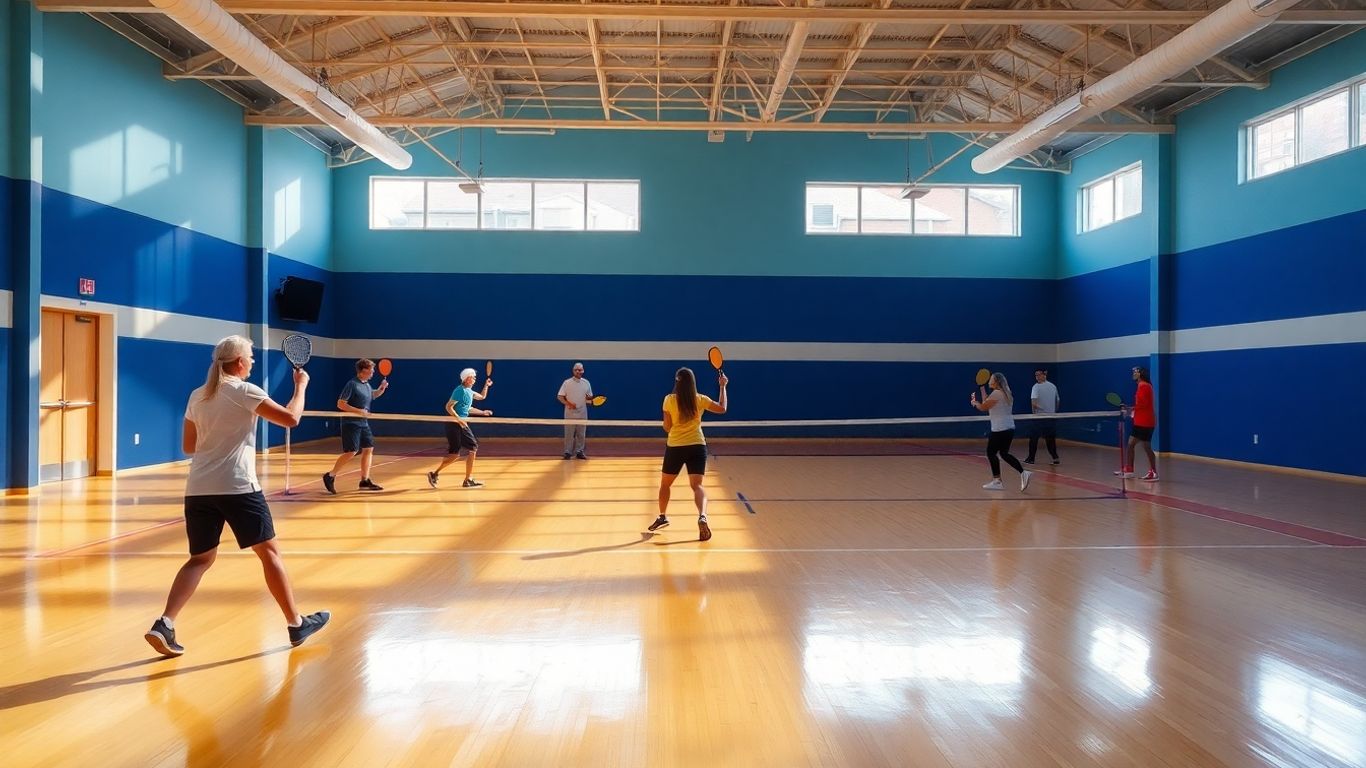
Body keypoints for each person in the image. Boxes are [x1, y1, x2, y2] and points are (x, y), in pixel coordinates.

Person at [144, 335, 329, 657]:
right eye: (252, 358)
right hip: (238, 487)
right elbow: (291, 419)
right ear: (240, 362)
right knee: (269, 553)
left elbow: (189, 446)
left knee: (200, 560)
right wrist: (301, 387)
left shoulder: (198, 395)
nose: (254, 363)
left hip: (199, 489)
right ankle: (297, 624)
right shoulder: (245, 390)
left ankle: (165, 623)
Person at [646, 367, 728, 541]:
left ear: (677, 382)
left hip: (676, 446)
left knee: (665, 485)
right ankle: (703, 516)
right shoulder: (700, 399)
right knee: (697, 486)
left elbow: (667, 427)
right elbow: (722, 408)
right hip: (697, 445)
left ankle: (662, 515)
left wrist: (670, 424)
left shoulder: (669, 400)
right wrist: (722, 387)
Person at [323, 358, 389, 494]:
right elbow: (340, 404)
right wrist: (359, 411)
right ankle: (330, 475)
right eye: (371, 370)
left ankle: (364, 480)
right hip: (351, 423)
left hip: (363, 423)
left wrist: (382, 389)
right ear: (362, 371)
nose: (373, 372)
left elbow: (372, 396)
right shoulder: (352, 384)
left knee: (368, 449)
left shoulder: (367, 385)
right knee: (351, 451)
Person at [427, 367, 493, 488]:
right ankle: (468, 480)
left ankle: (434, 474)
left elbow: (480, 398)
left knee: (454, 455)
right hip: (455, 423)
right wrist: (459, 419)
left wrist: (486, 386)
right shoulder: (460, 391)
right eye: (473, 377)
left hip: (459, 423)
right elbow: (448, 407)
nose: (474, 379)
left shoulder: (469, 392)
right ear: (467, 379)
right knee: (473, 447)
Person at [971, 372, 1033, 491]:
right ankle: (1023, 473)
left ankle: (997, 481)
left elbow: (983, 407)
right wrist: (982, 388)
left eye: (991, 379)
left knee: (991, 453)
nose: (989, 380)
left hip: (999, 429)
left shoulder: (997, 394)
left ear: (996, 382)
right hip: (1008, 428)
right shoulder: (1006, 393)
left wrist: (975, 403)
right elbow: (987, 403)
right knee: (1004, 454)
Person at [1116, 366, 1158, 481]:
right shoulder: (1143, 386)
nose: (1133, 373)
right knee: (1144, 446)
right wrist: (1131, 409)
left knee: (1132, 444)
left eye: (1135, 371)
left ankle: (1133, 470)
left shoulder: (1143, 386)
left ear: (1140, 374)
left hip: (1144, 422)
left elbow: (1143, 404)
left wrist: (1130, 409)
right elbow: (1142, 404)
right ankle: (1136, 470)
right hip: (1144, 421)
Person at [557, 362, 593, 460]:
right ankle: (567, 452)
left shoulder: (587, 383)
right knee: (569, 434)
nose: (578, 371)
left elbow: (588, 399)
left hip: (582, 413)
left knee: (581, 434)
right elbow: (560, 396)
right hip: (569, 414)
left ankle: (579, 452)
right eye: (576, 370)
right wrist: (569, 404)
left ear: (583, 371)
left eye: (580, 369)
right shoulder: (567, 383)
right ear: (573, 371)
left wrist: (591, 401)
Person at [1025, 368, 1061, 465]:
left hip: (1039, 418)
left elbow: (1034, 403)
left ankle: (1031, 459)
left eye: (1039, 375)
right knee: (1050, 439)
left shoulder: (1036, 387)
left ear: (1044, 375)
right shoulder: (1053, 386)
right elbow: (1058, 401)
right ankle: (1055, 458)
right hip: (1051, 417)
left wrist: (1037, 412)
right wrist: (1053, 411)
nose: (1037, 377)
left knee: (1034, 438)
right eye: (1036, 375)